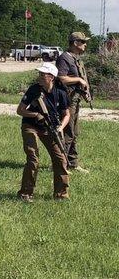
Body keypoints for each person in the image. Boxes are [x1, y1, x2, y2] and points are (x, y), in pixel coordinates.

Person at [17, 63, 71, 202]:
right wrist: (35, 115)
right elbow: (20, 110)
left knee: (61, 159)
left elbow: (67, 114)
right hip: (31, 126)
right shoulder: (34, 90)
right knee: (33, 158)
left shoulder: (61, 93)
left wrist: (60, 128)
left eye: (43, 75)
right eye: (39, 74)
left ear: (51, 77)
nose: (39, 77)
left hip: (50, 129)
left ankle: (61, 195)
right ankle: (26, 194)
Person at [56, 31, 91, 174]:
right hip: (67, 100)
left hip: (75, 99)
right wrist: (78, 80)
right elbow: (61, 78)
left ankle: (73, 163)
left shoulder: (76, 58)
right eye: (83, 42)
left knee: (74, 132)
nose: (85, 44)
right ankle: (60, 164)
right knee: (68, 132)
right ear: (76, 43)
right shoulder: (64, 58)